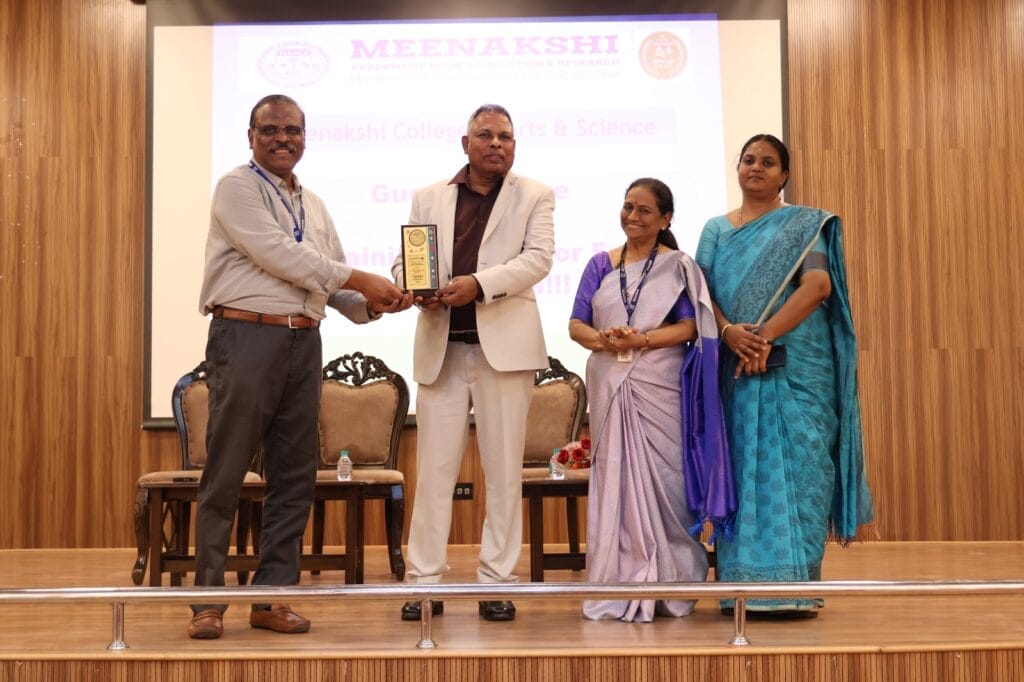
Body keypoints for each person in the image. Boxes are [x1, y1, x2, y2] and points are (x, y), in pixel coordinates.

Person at [188, 94, 412, 640]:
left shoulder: (313, 204)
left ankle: (272, 597)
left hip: (303, 343)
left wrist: (376, 304)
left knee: (293, 474)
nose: (282, 138)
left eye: (292, 130)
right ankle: (207, 601)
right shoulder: (236, 187)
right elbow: (280, 254)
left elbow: (329, 279)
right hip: (246, 336)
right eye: (270, 129)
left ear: (305, 138)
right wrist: (359, 280)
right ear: (251, 136)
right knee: (226, 470)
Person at [694, 133, 874, 617]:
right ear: (738, 168)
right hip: (737, 369)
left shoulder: (805, 225)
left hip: (799, 371)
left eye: (768, 162)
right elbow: (701, 294)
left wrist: (764, 336)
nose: (756, 167)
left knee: (803, 468)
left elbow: (817, 286)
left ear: (783, 176)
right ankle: (743, 590)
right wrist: (729, 332)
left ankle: (797, 589)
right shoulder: (716, 230)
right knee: (743, 474)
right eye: (749, 159)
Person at [391, 104, 555, 622]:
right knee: (434, 473)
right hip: (441, 348)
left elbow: (538, 259)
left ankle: (497, 581)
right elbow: (405, 260)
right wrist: (415, 288)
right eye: (485, 135)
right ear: (466, 144)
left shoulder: (535, 194)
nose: (496, 144)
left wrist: (478, 285)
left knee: (503, 473)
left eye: (505, 136)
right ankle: (423, 582)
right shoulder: (429, 195)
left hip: (503, 353)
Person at [568, 178, 735, 622]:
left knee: (667, 481)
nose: (632, 216)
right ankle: (616, 583)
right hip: (610, 378)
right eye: (627, 207)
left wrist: (640, 340)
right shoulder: (600, 264)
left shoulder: (677, 266)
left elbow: (690, 327)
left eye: (644, 210)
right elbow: (576, 324)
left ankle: (670, 580)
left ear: (665, 219)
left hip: (660, 380)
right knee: (616, 481)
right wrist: (605, 340)